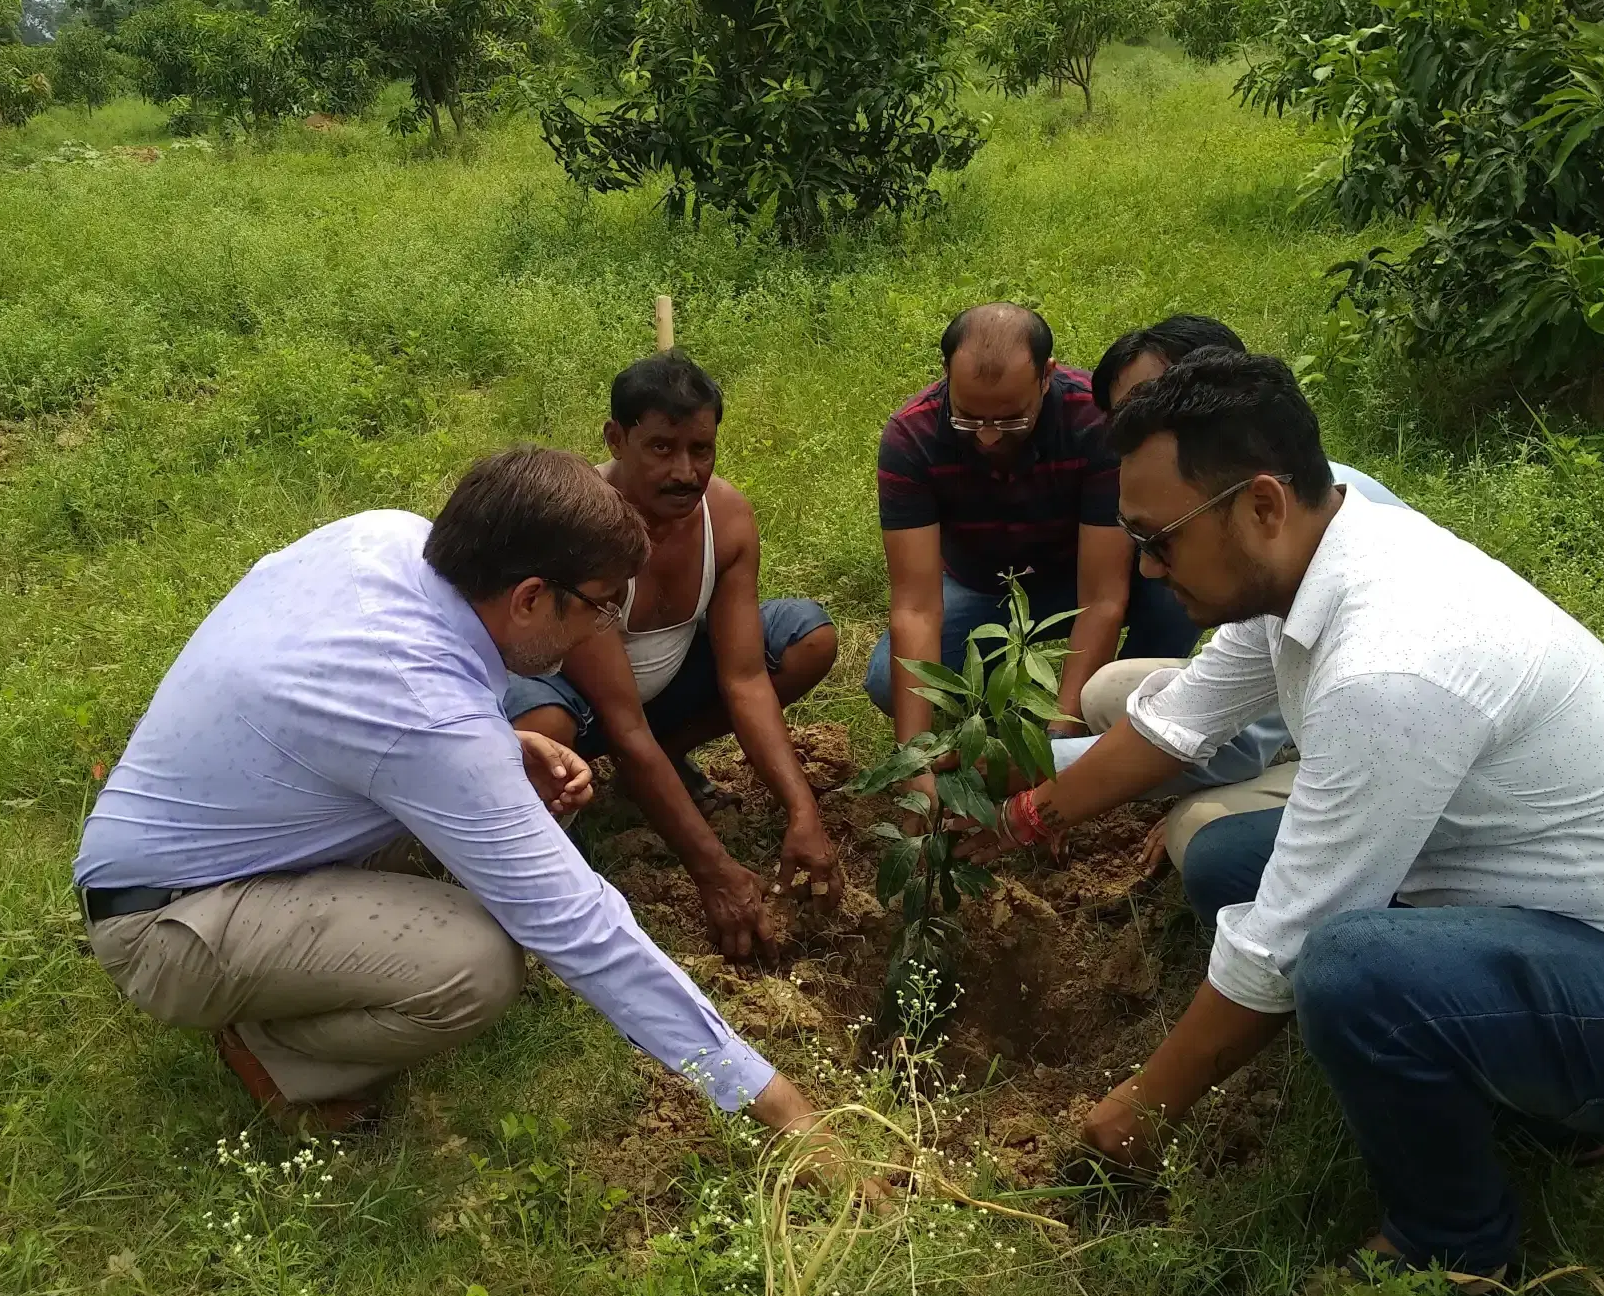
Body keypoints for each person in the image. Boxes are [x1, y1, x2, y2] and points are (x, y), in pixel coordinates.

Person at [981, 350, 1604, 1280]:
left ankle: (1453, 1250)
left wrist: (1139, 1112)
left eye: (1160, 539)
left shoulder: (1391, 663)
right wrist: (1022, 817)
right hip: (1546, 920)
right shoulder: (1315, 554)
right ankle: (1513, 1096)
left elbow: (1285, 938)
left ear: (1261, 506)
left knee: (1348, 968)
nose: (1147, 569)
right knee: (1233, 858)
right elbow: (1174, 726)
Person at [75, 446, 832, 1146]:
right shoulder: (424, 717)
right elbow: (579, 929)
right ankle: (273, 1049)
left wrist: (502, 750)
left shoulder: (385, 537)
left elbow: (356, 709)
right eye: (601, 605)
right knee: (476, 964)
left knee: (472, 839)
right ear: (532, 597)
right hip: (163, 923)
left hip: (182, 837)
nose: (604, 626)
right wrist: (784, 1109)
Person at [503, 353, 841, 962]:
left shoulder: (726, 517)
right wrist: (714, 871)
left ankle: (665, 764)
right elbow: (624, 724)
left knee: (804, 638)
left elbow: (742, 677)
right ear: (616, 437)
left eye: (701, 449)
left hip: (662, 689)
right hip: (578, 706)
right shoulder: (583, 525)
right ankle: (539, 858)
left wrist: (802, 807)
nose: (685, 472)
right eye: (661, 449)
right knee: (539, 728)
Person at [1062, 313, 1410, 874]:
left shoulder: (1367, 657)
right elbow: (1192, 711)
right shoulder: (1296, 514)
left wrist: (1031, 780)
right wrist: (1027, 790)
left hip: (1352, 754)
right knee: (1109, 692)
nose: (1149, 566)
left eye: (1154, 410)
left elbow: (1243, 742)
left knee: (1202, 838)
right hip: (1299, 721)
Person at [865, 303, 1199, 807]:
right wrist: (914, 761)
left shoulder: (1096, 421)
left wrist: (1059, 748)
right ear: (945, 375)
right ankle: (999, 718)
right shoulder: (911, 437)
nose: (989, 436)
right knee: (889, 683)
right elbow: (916, 605)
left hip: (1084, 573)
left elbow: (1103, 598)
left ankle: (1129, 727)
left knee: (1177, 591)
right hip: (985, 586)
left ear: (1046, 376)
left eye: (1010, 418)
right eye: (969, 417)